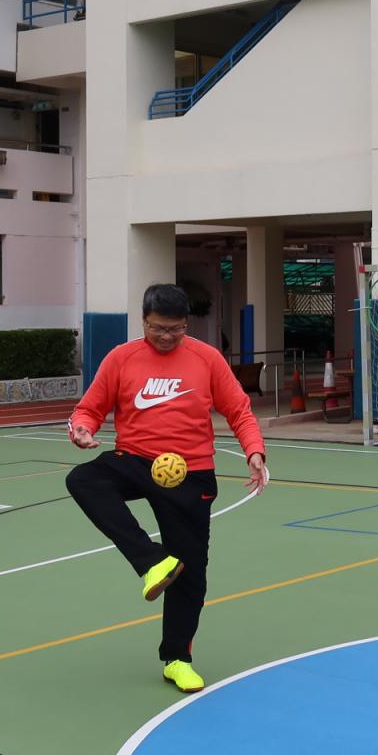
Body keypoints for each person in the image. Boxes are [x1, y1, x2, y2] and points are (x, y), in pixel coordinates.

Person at [66, 283, 270, 695]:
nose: (166, 336)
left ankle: (177, 659)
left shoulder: (206, 358)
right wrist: (82, 429)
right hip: (136, 461)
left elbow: (238, 409)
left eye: (175, 329)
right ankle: (151, 562)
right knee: (83, 479)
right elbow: (89, 408)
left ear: (186, 324)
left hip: (192, 472)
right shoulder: (121, 358)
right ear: (144, 320)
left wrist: (254, 451)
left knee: (191, 575)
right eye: (158, 328)